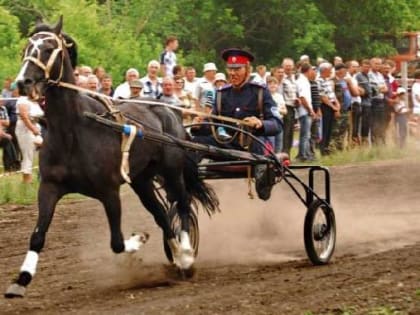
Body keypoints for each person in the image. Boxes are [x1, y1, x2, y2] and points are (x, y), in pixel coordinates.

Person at [192, 48, 282, 200]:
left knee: (258, 157)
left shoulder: (260, 92)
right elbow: (212, 126)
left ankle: (264, 180)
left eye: (237, 69)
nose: (232, 73)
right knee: (193, 144)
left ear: (247, 69)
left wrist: (260, 123)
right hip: (228, 146)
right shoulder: (222, 94)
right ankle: (188, 187)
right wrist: (199, 126)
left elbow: (277, 124)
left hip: (254, 148)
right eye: (230, 69)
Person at [15, 95, 44, 183]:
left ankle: (39, 176)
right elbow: (24, 117)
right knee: (28, 154)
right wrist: (33, 129)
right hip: (26, 129)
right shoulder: (22, 100)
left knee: (41, 150)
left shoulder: (34, 101)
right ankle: (27, 180)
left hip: (36, 127)